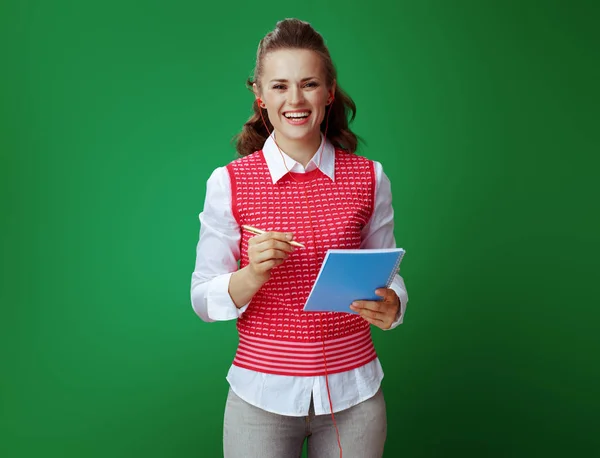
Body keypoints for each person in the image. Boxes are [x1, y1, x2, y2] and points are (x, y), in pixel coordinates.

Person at [191, 18, 408, 458]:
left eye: (309, 84)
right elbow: (201, 299)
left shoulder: (370, 176)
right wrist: (251, 275)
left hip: (356, 396)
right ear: (260, 95)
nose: (295, 99)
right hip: (260, 397)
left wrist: (395, 304)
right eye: (279, 86)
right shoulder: (228, 182)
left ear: (328, 93)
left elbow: (389, 271)